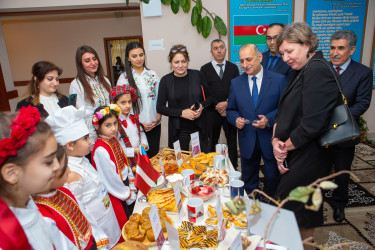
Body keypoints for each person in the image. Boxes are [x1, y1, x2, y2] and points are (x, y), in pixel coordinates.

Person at [272, 22, 340, 243]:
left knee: (295, 212)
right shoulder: (301, 69)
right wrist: (275, 140)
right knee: (295, 212)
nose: (285, 58)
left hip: (310, 157)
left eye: (289, 51)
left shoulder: (318, 70)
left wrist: (283, 147)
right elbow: (284, 113)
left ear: (307, 44)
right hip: (297, 152)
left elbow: (313, 124)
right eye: (282, 53)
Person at [45, 106, 123, 247]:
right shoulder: (70, 175)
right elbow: (80, 213)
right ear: (70, 145)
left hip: (108, 218)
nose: (90, 141)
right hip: (98, 230)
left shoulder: (82, 159)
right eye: (85, 138)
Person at [226, 44, 286, 197]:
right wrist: (235, 120)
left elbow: (285, 109)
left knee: (273, 177)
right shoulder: (236, 83)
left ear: (260, 57)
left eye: (248, 59)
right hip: (247, 138)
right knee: (248, 179)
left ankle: (274, 205)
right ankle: (251, 208)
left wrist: (269, 119)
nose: (245, 65)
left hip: (270, 138)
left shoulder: (278, 80)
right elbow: (230, 110)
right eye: (242, 61)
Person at [0, 106, 59, 249]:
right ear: (12, 173)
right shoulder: (6, 237)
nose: (57, 166)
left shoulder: (26, 202)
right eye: (49, 161)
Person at [329, 30, 373, 223]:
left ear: (352, 50)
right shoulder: (322, 69)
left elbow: (362, 104)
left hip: (344, 133)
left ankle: (339, 205)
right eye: (332, 47)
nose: (335, 52)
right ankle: (315, 203)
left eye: (340, 48)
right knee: (318, 170)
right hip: (318, 132)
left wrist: (337, 121)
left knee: (341, 171)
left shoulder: (363, 73)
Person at [33, 144, 100, 250]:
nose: (69, 171)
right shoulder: (44, 216)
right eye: (65, 167)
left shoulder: (63, 191)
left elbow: (85, 216)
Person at [157, 45, 212, 152]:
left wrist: (201, 106)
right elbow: (160, 108)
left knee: (201, 161)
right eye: (176, 62)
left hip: (199, 127)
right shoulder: (166, 80)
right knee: (182, 164)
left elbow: (210, 97)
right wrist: (181, 113)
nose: (180, 65)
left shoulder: (197, 75)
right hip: (179, 130)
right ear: (171, 62)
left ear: (188, 61)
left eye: (184, 61)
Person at [91, 105, 137, 219]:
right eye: (108, 125)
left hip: (125, 185)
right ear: (97, 127)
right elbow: (110, 178)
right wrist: (127, 194)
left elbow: (124, 162)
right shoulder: (101, 150)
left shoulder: (113, 140)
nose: (113, 128)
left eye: (115, 123)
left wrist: (131, 183)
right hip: (117, 192)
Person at [117, 42, 161, 158]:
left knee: (154, 158)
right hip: (135, 129)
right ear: (128, 58)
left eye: (141, 55)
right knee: (140, 162)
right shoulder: (124, 78)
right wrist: (140, 124)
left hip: (154, 125)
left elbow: (160, 99)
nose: (138, 59)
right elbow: (121, 106)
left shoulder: (152, 75)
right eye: (134, 56)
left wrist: (158, 118)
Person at [200, 39, 240, 169]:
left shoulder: (233, 68)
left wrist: (227, 103)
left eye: (221, 47)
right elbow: (205, 91)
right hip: (212, 112)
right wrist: (218, 105)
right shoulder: (204, 69)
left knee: (232, 142)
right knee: (211, 142)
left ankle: (234, 168)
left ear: (226, 50)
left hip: (230, 111)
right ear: (211, 52)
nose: (219, 50)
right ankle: (212, 169)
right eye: (216, 48)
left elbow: (237, 89)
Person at [69, 45, 112, 145]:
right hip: (92, 134)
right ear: (81, 64)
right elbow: (78, 115)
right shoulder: (76, 84)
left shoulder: (105, 80)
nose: (93, 63)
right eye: (87, 61)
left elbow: (111, 105)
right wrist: (88, 140)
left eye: (94, 59)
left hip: (109, 131)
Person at [110, 85, 149, 171]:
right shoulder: (113, 124)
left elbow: (141, 133)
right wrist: (134, 151)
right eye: (123, 102)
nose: (128, 106)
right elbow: (115, 149)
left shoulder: (133, 118)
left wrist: (144, 144)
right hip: (124, 164)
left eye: (129, 102)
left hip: (139, 159)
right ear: (113, 104)